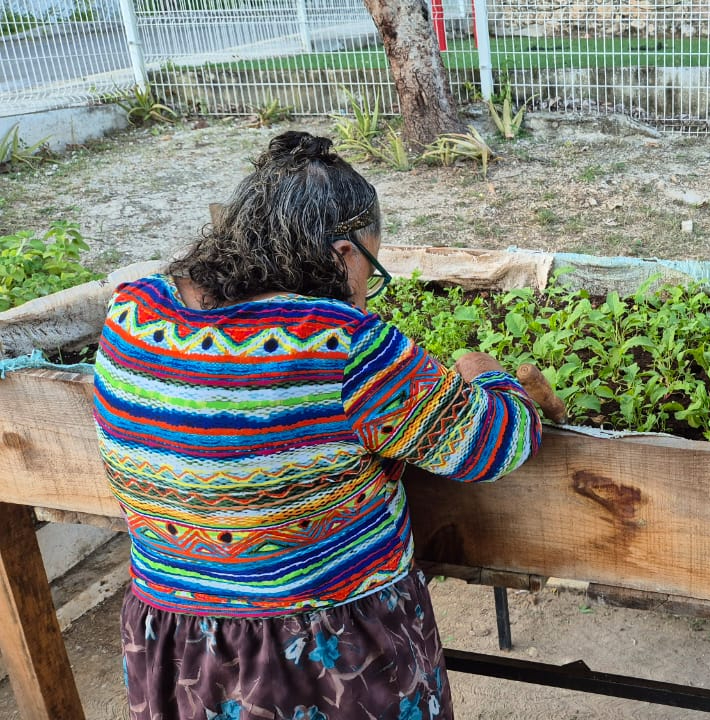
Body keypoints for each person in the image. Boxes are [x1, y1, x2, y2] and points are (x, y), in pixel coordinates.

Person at [92, 130, 543, 720]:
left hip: (179, 648)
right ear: (342, 252)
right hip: (329, 659)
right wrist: (493, 380)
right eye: (371, 266)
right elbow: (492, 444)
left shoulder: (132, 312)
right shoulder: (342, 347)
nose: (365, 292)